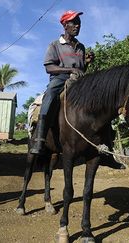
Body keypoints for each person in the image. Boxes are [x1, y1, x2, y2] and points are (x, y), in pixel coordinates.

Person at [29, 10, 95, 155]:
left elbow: (81, 69)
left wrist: (87, 63)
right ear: (65, 25)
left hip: (78, 80)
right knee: (50, 94)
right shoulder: (55, 45)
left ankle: (98, 142)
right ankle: (40, 138)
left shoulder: (81, 47)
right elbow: (49, 67)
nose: (77, 26)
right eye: (74, 23)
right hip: (59, 78)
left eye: (79, 23)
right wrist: (69, 70)